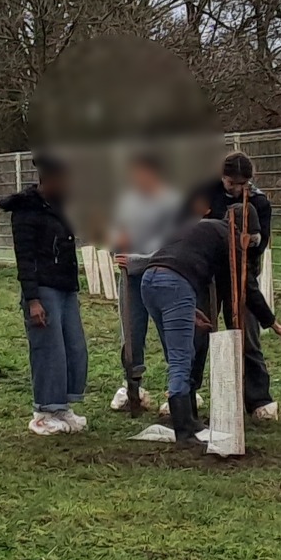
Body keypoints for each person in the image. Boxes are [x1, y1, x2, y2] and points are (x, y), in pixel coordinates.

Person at [142, 188, 281, 446]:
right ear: (244, 232)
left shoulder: (202, 227)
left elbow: (179, 260)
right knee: (182, 359)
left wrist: (189, 310)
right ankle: (184, 427)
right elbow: (247, 289)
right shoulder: (229, 240)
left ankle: (187, 418)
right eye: (251, 239)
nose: (251, 244)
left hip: (150, 281)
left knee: (179, 353)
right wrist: (274, 324)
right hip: (176, 284)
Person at [0, 153, 88, 435]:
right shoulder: (26, 211)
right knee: (49, 351)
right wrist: (32, 299)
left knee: (73, 348)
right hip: (43, 289)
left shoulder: (62, 207)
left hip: (65, 287)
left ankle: (62, 406)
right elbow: (24, 258)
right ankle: (43, 411)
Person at [191, 152, 278, 419]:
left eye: (243, 184)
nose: (237, 188)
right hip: (207, 273)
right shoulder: (203, 194)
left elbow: (261, 242)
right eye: (232, 183)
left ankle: (258, 398)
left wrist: (249, 241)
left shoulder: (259, 202)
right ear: (222, 177)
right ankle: (188, 391)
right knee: (199, 333)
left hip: (242, 274)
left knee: (246, 334)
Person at [109, 150, 182, 415]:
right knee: (130, 332)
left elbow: (170, 246)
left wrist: (138, 260)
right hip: (131, 281)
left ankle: (178, 389)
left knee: (169, 333)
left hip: (164, 278)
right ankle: (132, 387)